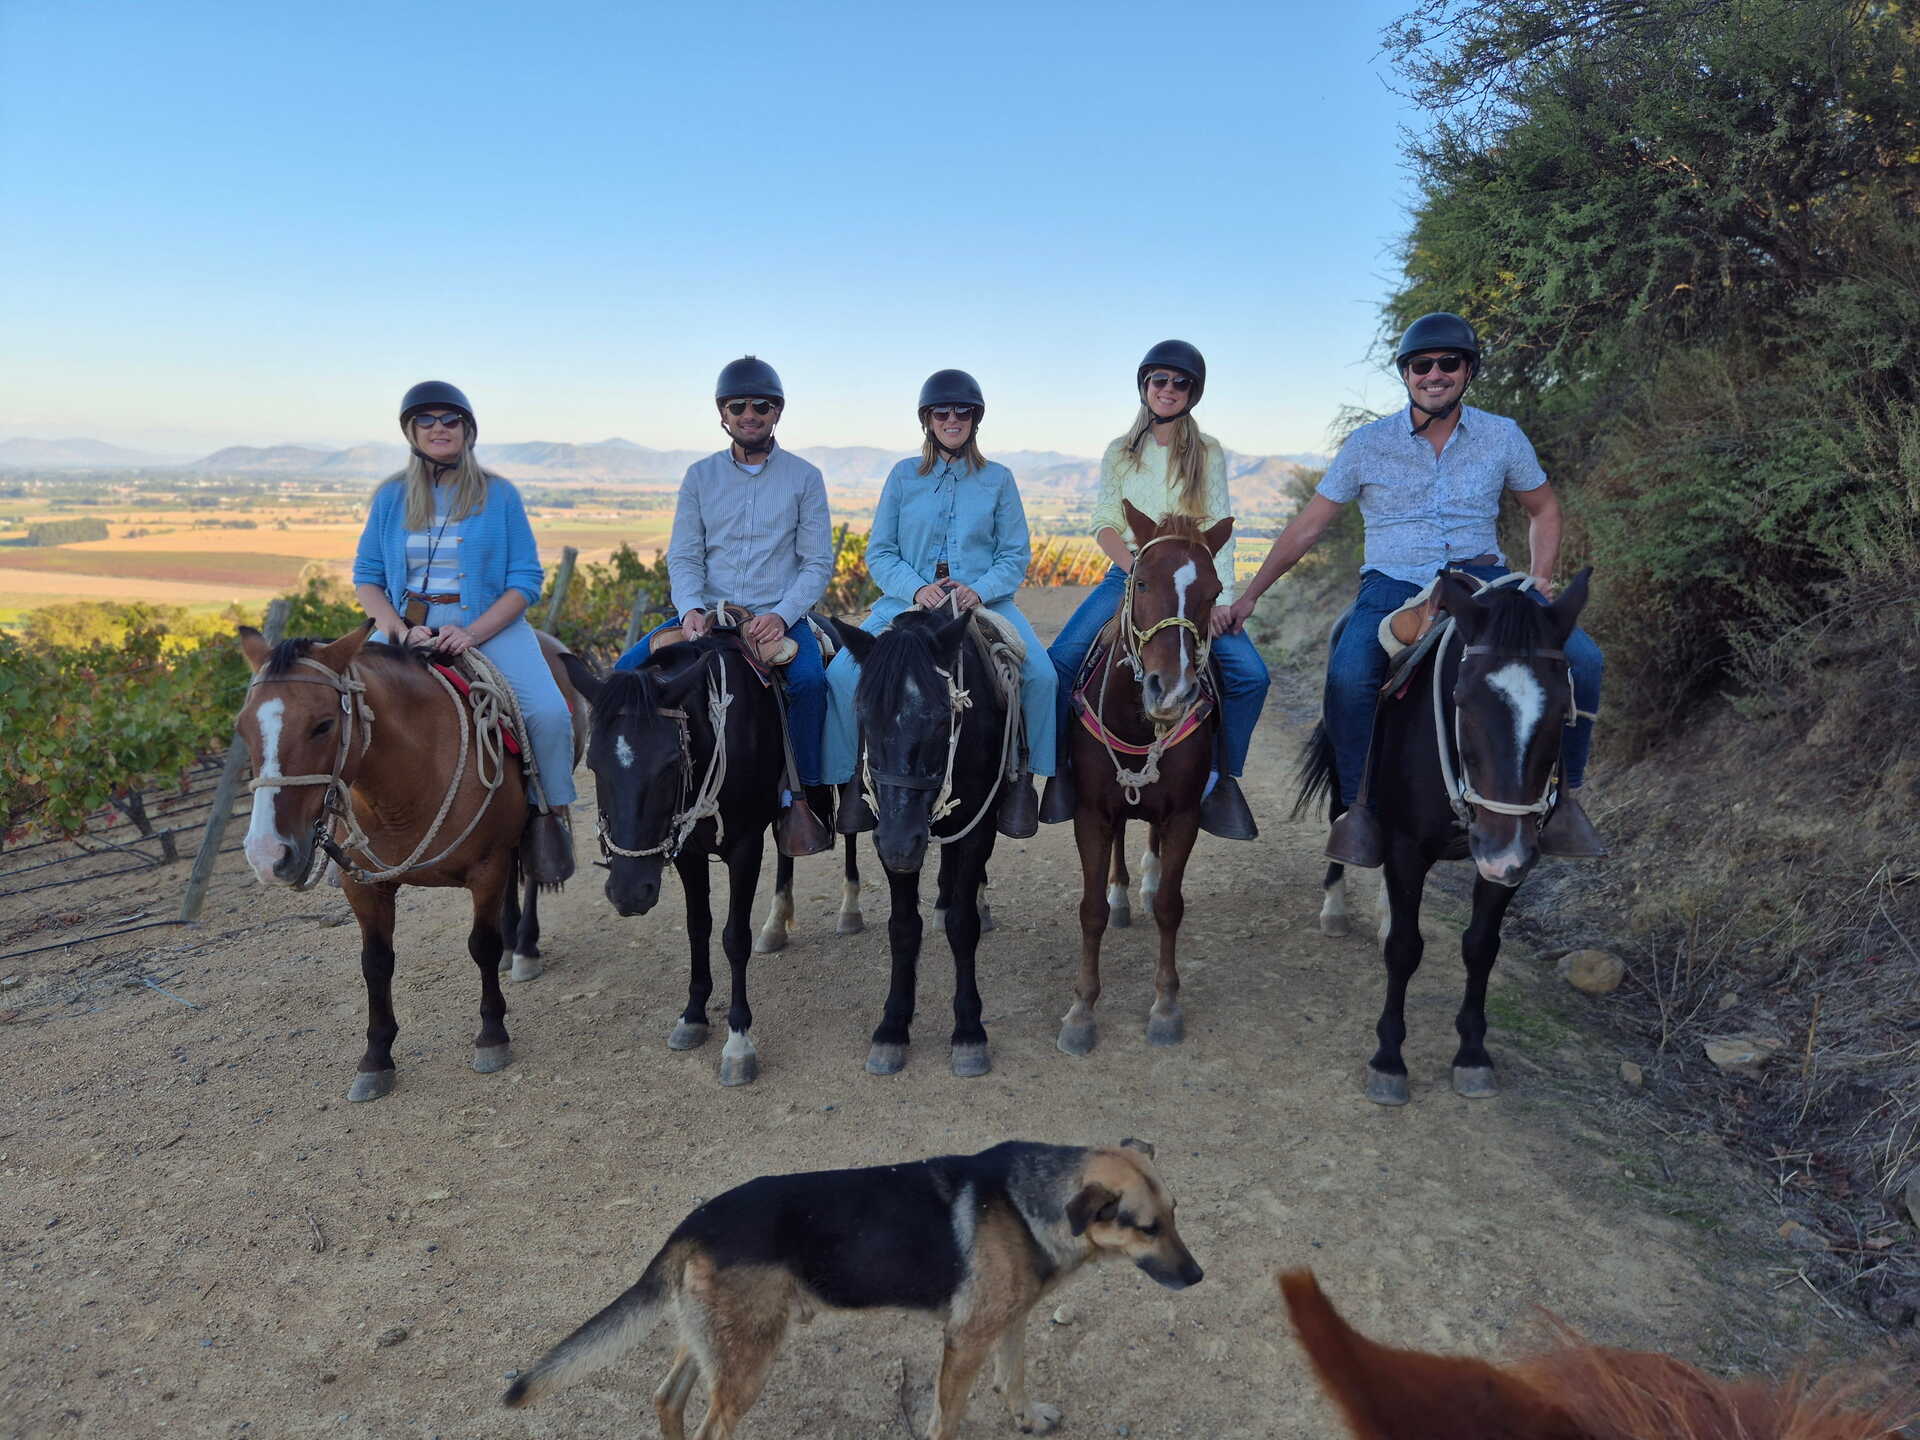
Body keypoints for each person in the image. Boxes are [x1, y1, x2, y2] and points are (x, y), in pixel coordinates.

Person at [1226, 312, 1607, 866]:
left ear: (1467, 370)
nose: (1435, 374)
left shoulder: (1503, 435)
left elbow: (1543, 506)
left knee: (1585, 661)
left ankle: (1565, 800)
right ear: (1406, 375)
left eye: (1447, 364)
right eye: (1421, 365)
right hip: (1393, 583)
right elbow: (1309, 526)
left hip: (1488, 582)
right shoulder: (1366, 445)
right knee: (1350, 673)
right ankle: (1357, 808)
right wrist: (1251, 594)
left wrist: (1540, 576)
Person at [1040, 341, 1269, 840]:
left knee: (1251, 675)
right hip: (1130, 576)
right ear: (1145, 386)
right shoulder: (1119, 453)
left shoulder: (1207, 452)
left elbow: (1218, 525)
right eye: (1159, 380)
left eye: (1179, 383)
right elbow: (1104, 522)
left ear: (1193, 392)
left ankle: (1224, 781)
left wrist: (1223, 599)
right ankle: (1059, 776)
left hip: (1190, 583)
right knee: (1058, 664)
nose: (1168, 390)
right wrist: (1135, 568)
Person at [352, 381, 577, 885]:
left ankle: (547, 817)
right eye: (426, 421)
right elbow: (367, 576)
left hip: (486, 627)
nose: (438, 429)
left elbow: (525, 581)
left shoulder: (500, 495)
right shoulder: (390, 496)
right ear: (411, 431)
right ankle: (342, 825)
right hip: (403, 631)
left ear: (467, 430)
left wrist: (472, 633)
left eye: (449, 420)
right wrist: (397, 630)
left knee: (547, 712)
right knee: (340, 706)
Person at [820, 369, 1051, 838]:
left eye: (961, 412)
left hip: (983, 604)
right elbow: (880, 551)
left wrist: (979, 589)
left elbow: (1014, 554)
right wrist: (917, 588)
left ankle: (1027, 781)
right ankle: (850, 786)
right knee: (841, 675)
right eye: (941, 412)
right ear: (927, 419)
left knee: (1042, 676)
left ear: (974, 419)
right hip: (905, 601)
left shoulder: (998, 480)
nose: (952, 419)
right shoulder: (903, 476)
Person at [613, 356, 833, 814]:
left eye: (760, 405)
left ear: (777, 412)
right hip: (708, 611)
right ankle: (631, 792)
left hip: (777, 614)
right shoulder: (699, 476)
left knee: (811, 682)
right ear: (723, 414)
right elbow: (686, 555)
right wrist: (691, 609)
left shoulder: (805, 478)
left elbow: (815, 563)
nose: (749, 414)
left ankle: (807, 796)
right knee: (623, 674)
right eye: (738, 407)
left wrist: (781, 616)